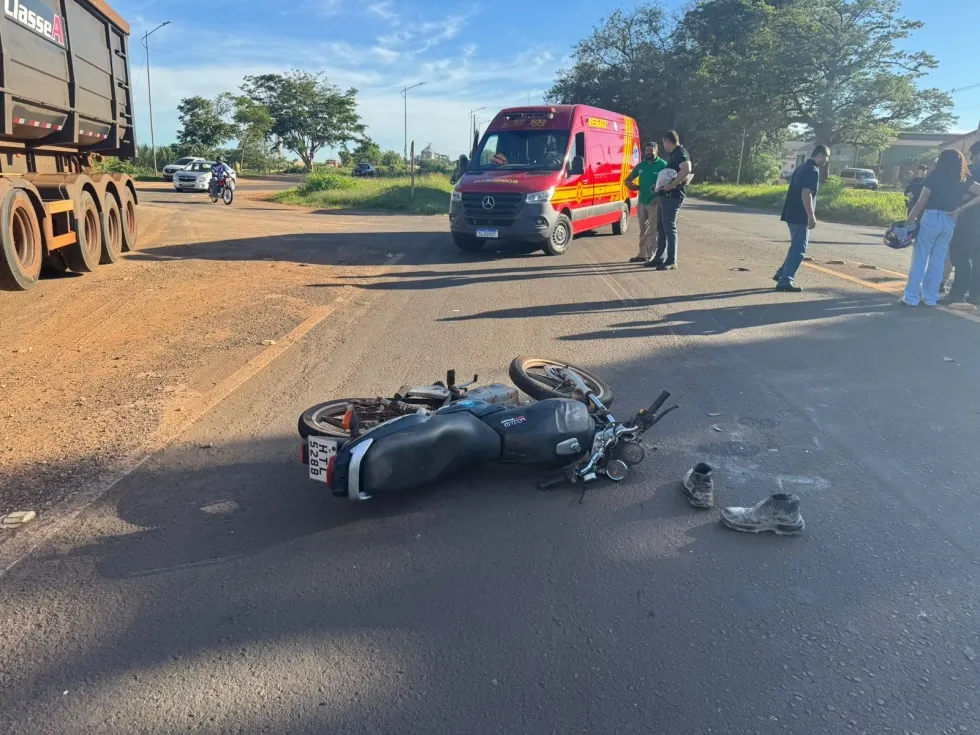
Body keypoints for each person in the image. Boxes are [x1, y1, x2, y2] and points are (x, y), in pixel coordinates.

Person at [901, 149, 980, 307]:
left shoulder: (934, 176)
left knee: (920, 259)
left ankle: (911, 297)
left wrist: (907, 222)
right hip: (949, 220)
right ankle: (930, 298)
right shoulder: (963, 178)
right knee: (938, 261)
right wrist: (961, 209)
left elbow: (921, 201)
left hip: (931, 218)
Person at [773, 144, 830, 293]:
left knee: (795, 246)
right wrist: (811, 216)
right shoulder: (812, 170)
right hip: (800, 215)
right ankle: (786, 280)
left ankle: (781, 273)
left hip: (791, 213)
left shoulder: (801, 167)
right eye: (826, 158)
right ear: (820, 156)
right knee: (799, 249)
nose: (826, 161)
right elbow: (806, 194)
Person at [941, 142, 980, 305]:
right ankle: (975, 294)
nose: (972, 159)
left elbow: (959, 192)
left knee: (961, 257)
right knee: (975, 259)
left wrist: (962, 203)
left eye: (973, 155)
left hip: (967, 220)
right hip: (971, 220)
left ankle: (958, 292)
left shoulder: (970, 171)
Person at [648, 130, 692, 270]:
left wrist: (670, 186)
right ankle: (659, 257)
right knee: (661, 228)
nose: (664, 146)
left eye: (664, 143)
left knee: (669, 228)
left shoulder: (680, 153)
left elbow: (687, 169)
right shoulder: (673, 154)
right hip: (664, 196)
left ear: (668, 141)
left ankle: (672, 260)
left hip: (673, 197)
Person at [625, 142, 668, 263]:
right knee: (643, 229)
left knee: (653, 230)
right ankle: (642, 254)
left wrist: (659, 197)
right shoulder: (641, 166)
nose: (649, 152)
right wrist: (630, 184)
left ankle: (651, 256)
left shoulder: (663, 165)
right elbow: (628, 179)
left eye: (651, 150)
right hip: (642, 202)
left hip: (655, 203)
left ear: (656, 151)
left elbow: (669, 182)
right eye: (647, 150)